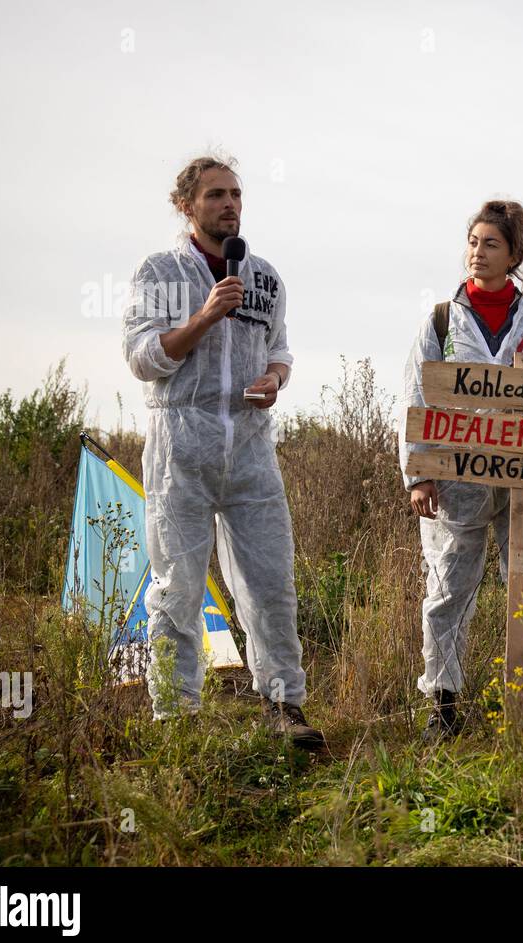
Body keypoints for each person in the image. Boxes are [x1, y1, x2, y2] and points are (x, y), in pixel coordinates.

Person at [122, 155, 323, 748]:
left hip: (252, 451)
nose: (229, 204)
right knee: (177, 587)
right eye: (214, 195)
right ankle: (176, 717)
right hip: (180, 447)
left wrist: (275, 381)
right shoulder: (160, 272)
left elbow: (279, 349)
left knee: (269, 583)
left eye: (235, 193)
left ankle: (284, 705)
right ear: (186, 205)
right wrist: (205, 316)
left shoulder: (263, 276)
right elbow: (141, 359)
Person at [400, 199, 523, 742]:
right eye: (473, 242)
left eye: (491, 244)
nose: (478, 253)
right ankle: (444, 704)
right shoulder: (441, 321)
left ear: (514, 254)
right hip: (458, 477)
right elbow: (415, 395)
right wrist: (419, 474)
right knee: (449, 588)